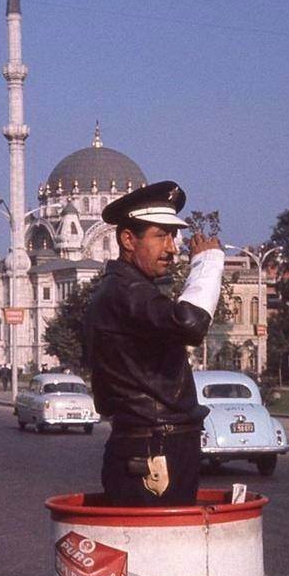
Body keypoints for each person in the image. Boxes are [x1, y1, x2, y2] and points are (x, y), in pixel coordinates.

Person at [85, 180, 224, 507]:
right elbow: (191, 323)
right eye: (161, 236)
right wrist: (208, 265)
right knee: (162, 550)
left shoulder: (129, 290)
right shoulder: (127, 292)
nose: (172, 248)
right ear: (128, 240)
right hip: (153, 451)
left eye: (173, 236)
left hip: (154, 446)